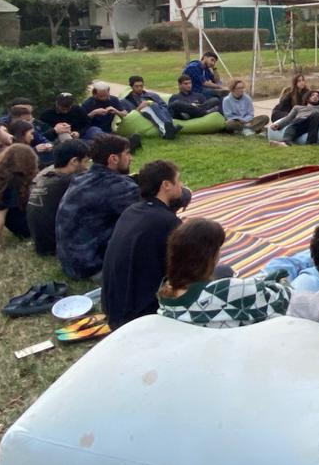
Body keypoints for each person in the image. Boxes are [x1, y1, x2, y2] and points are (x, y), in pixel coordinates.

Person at [101, 160, 196, 329]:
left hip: (112, 307)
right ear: (166, 185)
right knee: (219, 273)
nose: (181, 185)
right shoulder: (167, 223)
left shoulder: (131, 211)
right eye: (178, 180)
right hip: (139, 318)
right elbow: (185, 274)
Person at [157, 218, 289, 328]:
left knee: (225, 270)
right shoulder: (225, 291)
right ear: (209, 255)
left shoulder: (166, 294)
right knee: (289, 266)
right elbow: (284, 299)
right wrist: (281, 282)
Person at [54, 134, 139, 280]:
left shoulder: (81, 178)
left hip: (71, 262)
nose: (131, 158)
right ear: (113, 158)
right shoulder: (117, 186)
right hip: (93, 267)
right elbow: (153, 211)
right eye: (127, 153)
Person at [27, 137, 90, 257]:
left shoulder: (45, 176)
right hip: (57, 246)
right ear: (74, 161)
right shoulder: (69, 181)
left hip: (41, 244)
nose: (87, 167)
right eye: (86, 161)